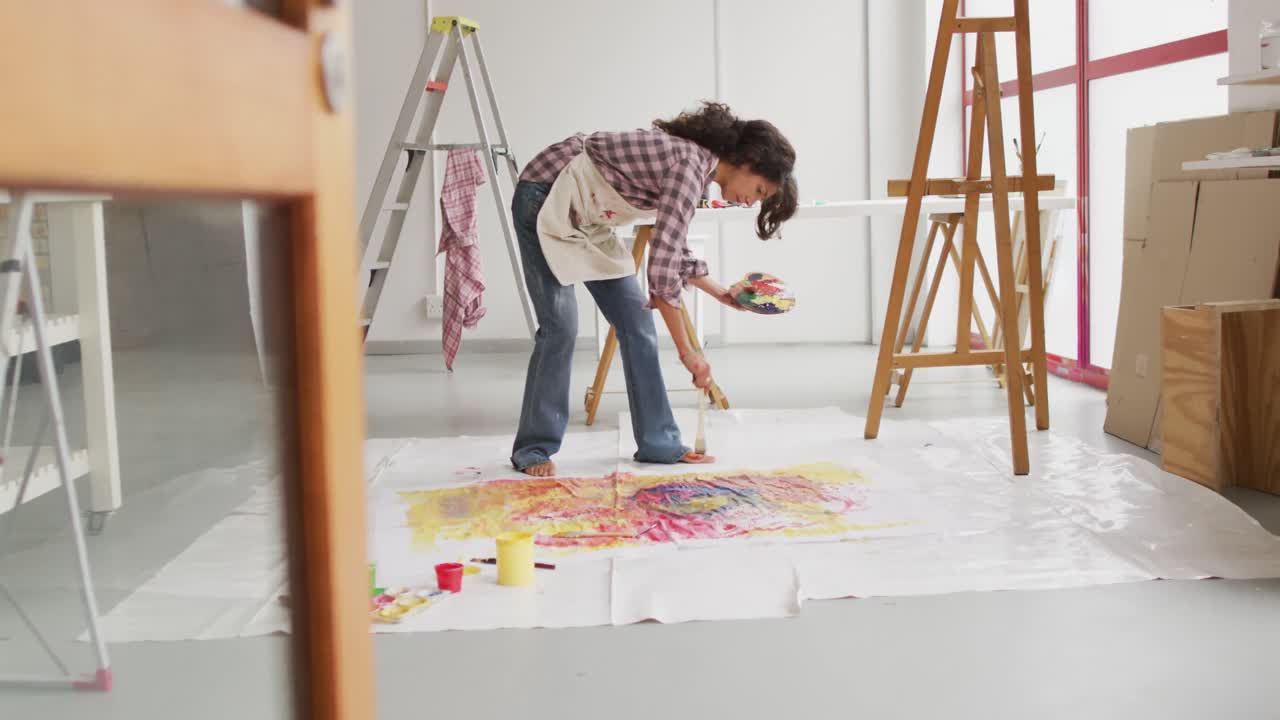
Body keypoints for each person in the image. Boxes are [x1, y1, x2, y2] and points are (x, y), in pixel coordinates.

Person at [510, 102, 798, 477]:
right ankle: (534, 448)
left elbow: (672, 248)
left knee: (637, 322)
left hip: (589, 217)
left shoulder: (699, 169)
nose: (752, 201)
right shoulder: (690, 167)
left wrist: (721, 293)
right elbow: (661, 279)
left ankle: (657, 444)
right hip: (545, 194)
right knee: (561, 326)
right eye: (758, 190)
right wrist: (689, 353)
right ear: (747, 161)